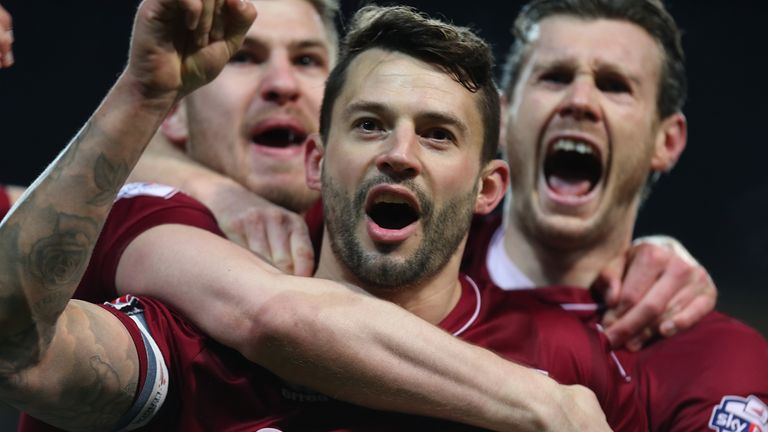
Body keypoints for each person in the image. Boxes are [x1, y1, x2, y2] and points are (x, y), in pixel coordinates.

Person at [4, 2, 640, 430]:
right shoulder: (189, 323)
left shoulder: (571, 351)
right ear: (318, 156)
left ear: (488, 188)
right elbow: (18, 349)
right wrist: (140, 93)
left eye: (439, 134)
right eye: (369, 125)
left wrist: (658, 255)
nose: (399, 154)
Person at [460, 0, 768, 430]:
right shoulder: (408, 262)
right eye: (555, 77)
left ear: (667, 141)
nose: (580, 100)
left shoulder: (716, 357)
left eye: (614, 85)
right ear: (502, 119)